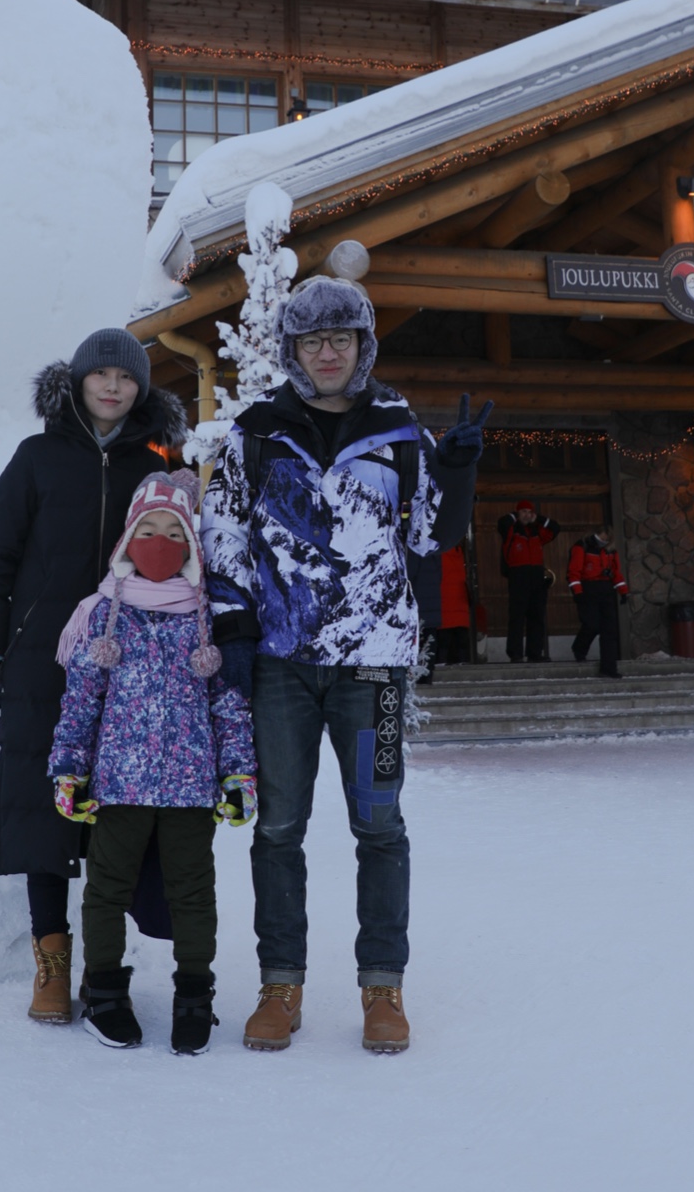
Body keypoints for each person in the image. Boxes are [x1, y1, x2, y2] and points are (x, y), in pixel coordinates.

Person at [200, 273, 490, 1056]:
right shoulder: (254, 433)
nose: (326, 353)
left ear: (362, 345)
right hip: (281, 666)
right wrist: (233, 630)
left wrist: (456, 467)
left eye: (340, 338)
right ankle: (279, 985)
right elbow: (222, 535)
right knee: (279, 827)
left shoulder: (399, 432)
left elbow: (431, 537)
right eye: (310, 340)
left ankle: (381, 989)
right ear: (292, 350)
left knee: (380, 825)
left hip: (376, 671)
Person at [0, 329, 186, 1025]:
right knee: (44, 808)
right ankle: (51, 963)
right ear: (79, 382)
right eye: (103, 375)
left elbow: (182, 559)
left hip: (129, 660)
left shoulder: (156, 465)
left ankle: (102, 964)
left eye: (127, 378)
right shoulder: (35, 459)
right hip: (42, 659)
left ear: (141, 388)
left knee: (115, 816)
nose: (114, 387)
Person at [50, 468, 255, 1055]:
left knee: (194, 893)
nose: (160, 543)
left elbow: (229, 705)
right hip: (119, 784)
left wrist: (238, 773)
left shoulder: (206, 615)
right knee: (107, 890)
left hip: (192, 788)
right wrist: (68, 767)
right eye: (149, 530)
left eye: (174, 532)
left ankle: (195, 997)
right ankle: (107, 996)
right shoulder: (102, 614)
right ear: (127, 540)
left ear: (192, 544)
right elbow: (81, 701)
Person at [497, 499, 558, 662]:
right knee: (517, 616)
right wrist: (515, 515)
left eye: (529, 512)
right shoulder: (511, 530)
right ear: (517, 513)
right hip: (518, 575)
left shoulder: (537, 531)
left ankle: (535, 653)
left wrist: (538, 519)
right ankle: (515, 653)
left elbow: (555, 528)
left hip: (537, 575)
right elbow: (502, 523)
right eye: (523, 511)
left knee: (537, 615)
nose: (527, 515)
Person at [567, 530, 629, 675]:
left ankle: (609, 668)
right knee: (591, 624)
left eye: (608, 538)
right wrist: (577, 591)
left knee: (609, 631)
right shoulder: (582, 547)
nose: (604, 540)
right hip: (588, 590)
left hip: (606, 590)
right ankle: (579, 648)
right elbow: (574, 571)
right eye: (603, 536)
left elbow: (615, 572)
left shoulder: (610, 550)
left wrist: (623, 591)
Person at [434, 542, 475, 666]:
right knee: (461, 642)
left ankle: (441, 663)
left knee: (443, 642)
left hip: (443, 604)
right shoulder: (459, 553)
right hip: (459, 604)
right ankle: (463, 662)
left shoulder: (437, 552)